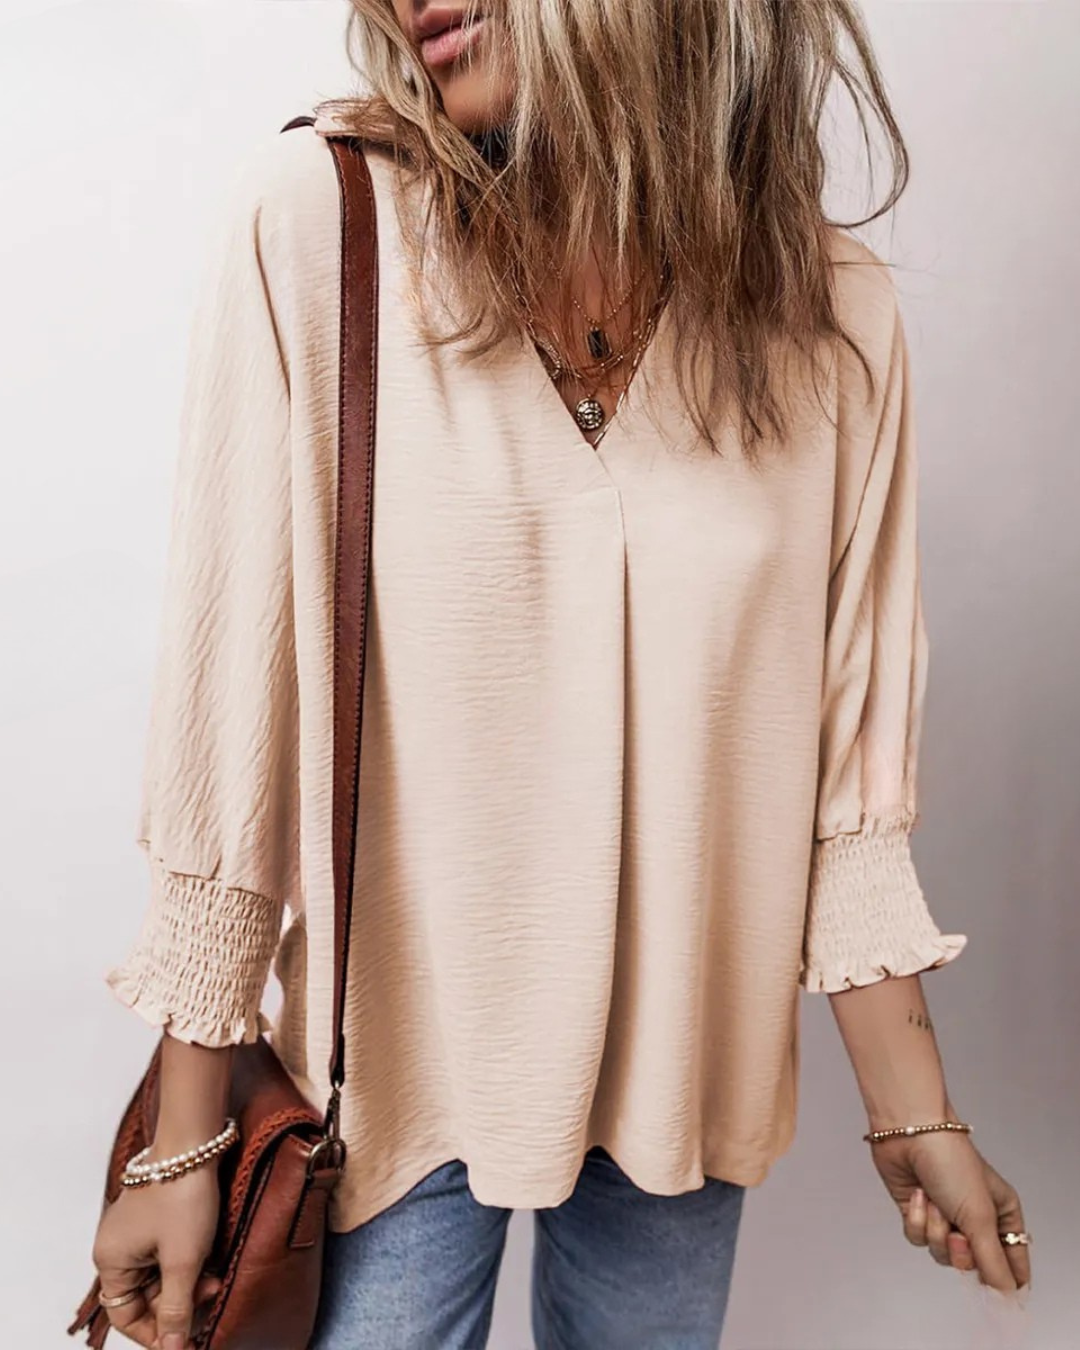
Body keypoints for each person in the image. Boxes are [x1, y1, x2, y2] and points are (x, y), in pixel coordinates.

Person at [89, 2, 1032, 1347]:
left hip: (685, 1084)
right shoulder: (322, 226)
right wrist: (182, 1143)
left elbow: (843, 794)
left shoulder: (831, 313)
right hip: (396, 1083)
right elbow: (232, 718)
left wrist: (914, 1111)